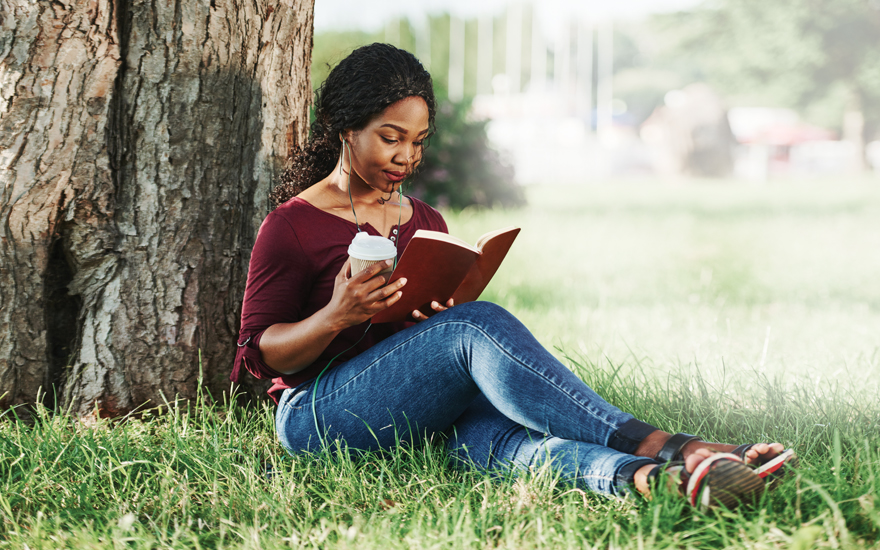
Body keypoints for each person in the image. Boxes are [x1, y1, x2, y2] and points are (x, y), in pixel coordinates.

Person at [231, 43, 794, 508]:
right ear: (345, 129)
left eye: (419, 141)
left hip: (414, 408)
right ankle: (672, 446)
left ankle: (659, 482)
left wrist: (433, 323)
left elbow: (418, 336)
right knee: (476, 327)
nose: (407, 157)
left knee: (504, 442)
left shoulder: (425, 220)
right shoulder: (294, 224)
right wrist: (337, 314)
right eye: (391, 136)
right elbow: (261, 356)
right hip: (319, 417)